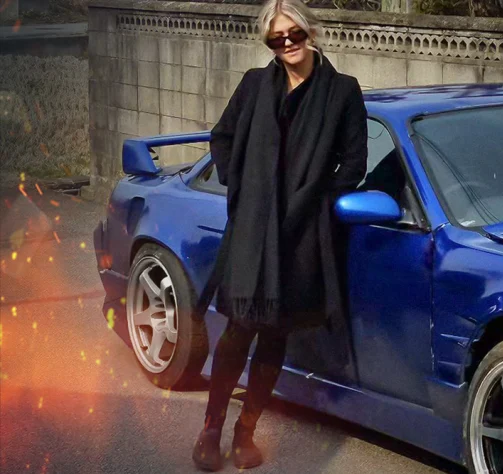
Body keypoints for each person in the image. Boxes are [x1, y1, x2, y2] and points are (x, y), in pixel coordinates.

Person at [190, 0, 368, 470]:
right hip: (252, 227)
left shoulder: (343, 92)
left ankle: (245, 433)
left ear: (311, 32)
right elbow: (222, 137)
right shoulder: (253, 84)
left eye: (294, 34)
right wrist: (242, 186)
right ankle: (211, 429)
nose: (287, 43)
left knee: (274, 336)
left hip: (300, 233)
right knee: (237, 330)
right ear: (268, 43)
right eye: (276, 38)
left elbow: (353, 166)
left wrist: (314, 203)